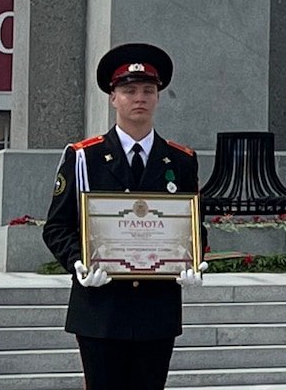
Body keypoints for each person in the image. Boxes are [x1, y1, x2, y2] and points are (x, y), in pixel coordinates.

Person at [41, 43, 206, 390]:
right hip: (101, 308)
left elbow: (193, 226)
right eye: (129, 91)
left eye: (148, 90)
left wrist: (191, 261)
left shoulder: (181, 160)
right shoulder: (83, 158)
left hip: (156, 309)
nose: (139, 98)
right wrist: (79, 262)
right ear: (113, 97)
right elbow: (57, 226)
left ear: (158, 97)